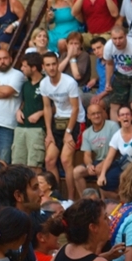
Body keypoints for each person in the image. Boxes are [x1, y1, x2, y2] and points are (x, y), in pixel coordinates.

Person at [41, 52, 86, 200]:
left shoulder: (69, 82)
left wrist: (68, 132)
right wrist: (49, 132)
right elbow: (47, 108)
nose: (52, 67)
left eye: (54, 64)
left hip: (75, 120)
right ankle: (56, 196)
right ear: (43, 67)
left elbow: (75, 108)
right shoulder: (44, 83)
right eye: (48, 65)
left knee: (65, 160)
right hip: (58, 119)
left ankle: (70, 199)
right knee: (49, 160)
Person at [102, 25, 132, 125]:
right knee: (114, 104)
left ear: (126, 36)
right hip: (121, 73)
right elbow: (109, 64)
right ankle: (115, 132)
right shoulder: (108, 46)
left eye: (120, 38)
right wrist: (108, 82)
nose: (117, 41)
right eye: (114, 38)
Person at [97, 105, 132, 191]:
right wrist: (102, 174)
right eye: (122, 115)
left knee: (127, 179)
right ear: (118, 118)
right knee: (107, 181)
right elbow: (109, 158)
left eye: (127, 114)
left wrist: (128, 173)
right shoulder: (116, 135)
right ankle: (123, 198)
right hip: (126, 165)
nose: (125, 116)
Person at [73, 102, 119, 194]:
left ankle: (102, 202)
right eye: (93, 114)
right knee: (77, 172)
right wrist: (89, 165)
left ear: (102, 113)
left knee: (99, 169)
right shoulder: (86, 133)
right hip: (97, 161)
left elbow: (116, 151)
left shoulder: (112, 126)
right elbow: (87, 155)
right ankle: (86, 201)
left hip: (114, 161)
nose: (96, 116)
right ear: (88, 116)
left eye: (98, 113)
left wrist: (102, 164)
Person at [12, 52, 46, 170]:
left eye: (24, 66)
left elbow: (56, 106)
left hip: (37, 128)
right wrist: (18, 111)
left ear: (34, 68)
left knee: (34, 165)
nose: (21, 68)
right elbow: (24, 102)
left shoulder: (46, 82)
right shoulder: (25, 85)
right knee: (17, 164)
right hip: (21, 127)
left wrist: (41, 113)